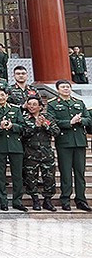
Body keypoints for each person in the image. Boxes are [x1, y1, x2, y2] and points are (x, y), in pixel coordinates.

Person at [47, 80, 91, 211]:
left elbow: (88, 119)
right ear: (58, 89)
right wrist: (69, 122)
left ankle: (81, 200)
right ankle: (65, 199)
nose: (66, 89)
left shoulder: (79, 103)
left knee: (80, 173)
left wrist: (81, 120)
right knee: (65, 172)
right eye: (63, 87)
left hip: (79, 141)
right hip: (64, 142)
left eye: (67, 87)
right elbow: (52, 120)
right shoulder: (53, 104)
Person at [0, 87, 26, 211]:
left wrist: (12, 126)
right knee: (0, 175)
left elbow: (22, 126)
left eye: (2, 95)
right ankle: (3, 201)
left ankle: (17, 201)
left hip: (15, 145)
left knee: (17, 175)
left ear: (7, 95)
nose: (0, 98)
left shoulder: (15, 109)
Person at [22, 96, 59, 211]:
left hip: (46, 153)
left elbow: (56, 131)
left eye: (34, 104)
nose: (32, 106)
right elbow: (22, 134)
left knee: (49, 178)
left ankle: (47, 201)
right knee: (31, 178)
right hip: (30, 153)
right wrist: (35, 127)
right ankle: (35, 200)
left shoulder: (47, 117)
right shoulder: (24, 118)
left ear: (40, 107)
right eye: (30, 104)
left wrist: (45, 125)